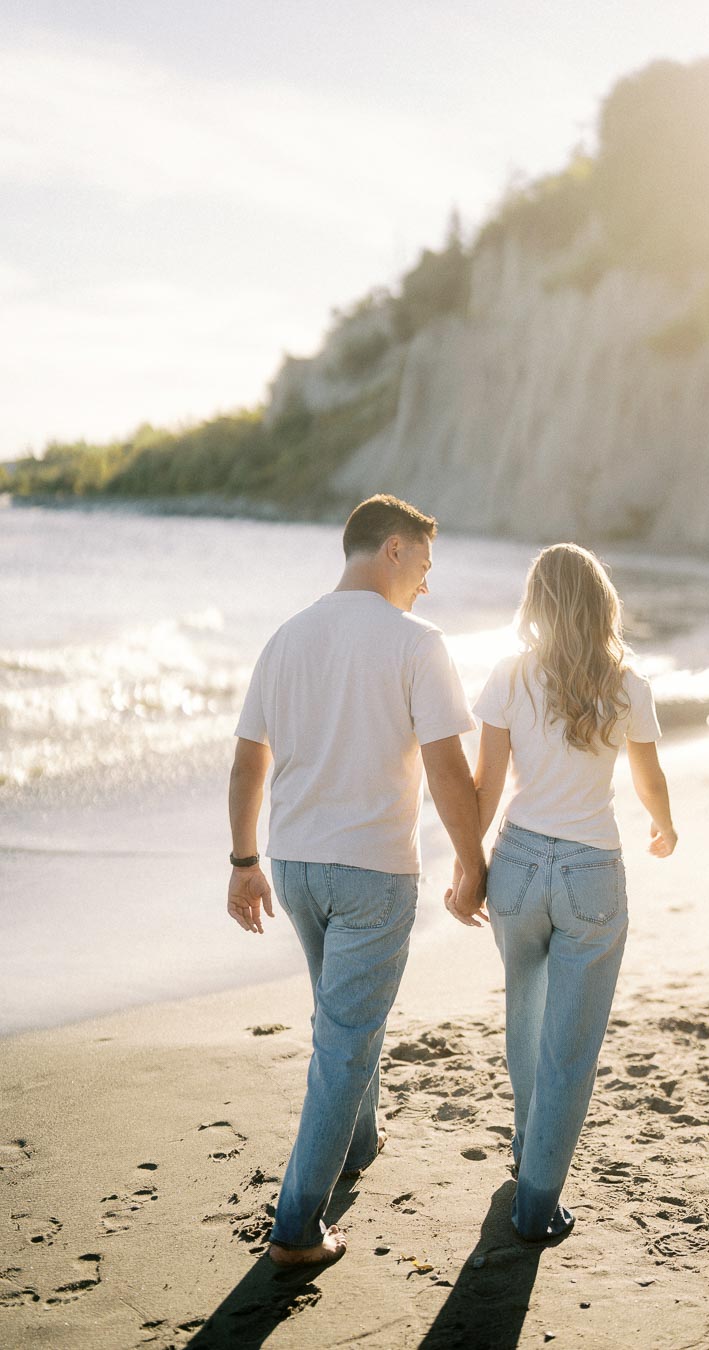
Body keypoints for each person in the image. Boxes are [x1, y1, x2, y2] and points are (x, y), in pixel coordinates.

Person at [228, 494, 487, 1267]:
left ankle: (360, 1135)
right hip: (372, 870)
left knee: (339, 1016)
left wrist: (244, 863)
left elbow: (249, 761)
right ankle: (297, 1227)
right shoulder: (416, 641)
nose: (429, 586)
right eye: (427, 566)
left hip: (296, 865)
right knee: (343, 1039)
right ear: (396, 550)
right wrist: (474, 864)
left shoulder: (286, 637)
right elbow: (447, 769)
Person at [445, 543, 677, 1242]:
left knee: (526, 1013)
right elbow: (648, 778)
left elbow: (486, 787)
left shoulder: (511, 675)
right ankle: (536, 1204)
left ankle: (525, 1145)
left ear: (535, 604)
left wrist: (468, 868)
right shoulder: (626, 681)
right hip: (591, 874)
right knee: (570, 1050)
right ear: (603, 603)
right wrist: (663, 827)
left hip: (517, 864)